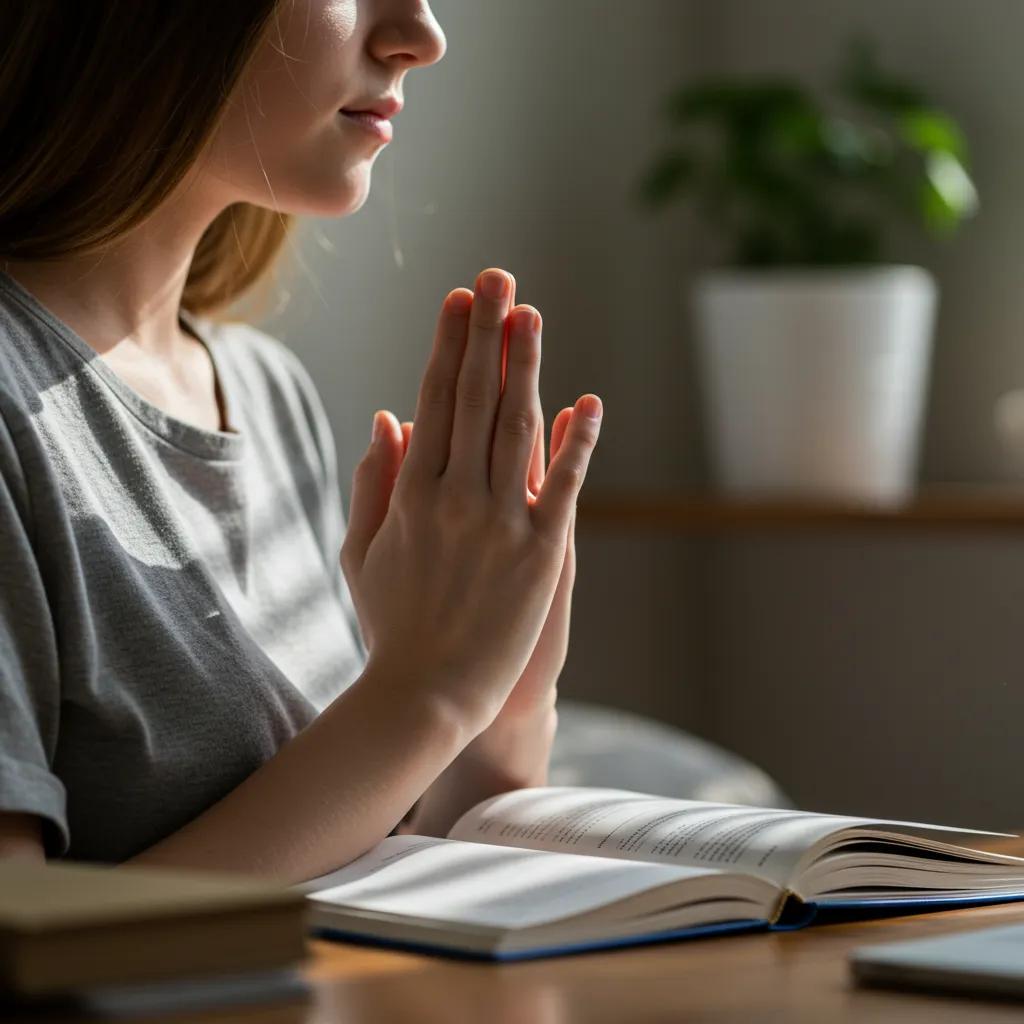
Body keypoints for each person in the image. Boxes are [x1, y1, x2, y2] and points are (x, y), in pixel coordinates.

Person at [0, 1, 602, 883]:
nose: (422, 36)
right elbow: (25, 953)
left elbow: (379, 864)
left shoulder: (265, 393)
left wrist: (502, 703)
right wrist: (428, 695)